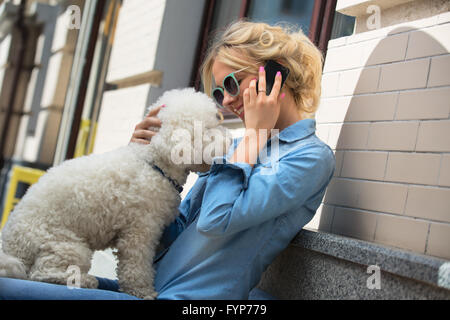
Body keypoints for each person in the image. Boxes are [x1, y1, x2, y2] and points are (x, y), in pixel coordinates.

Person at [0, 20, 335, 300]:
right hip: (147, 289)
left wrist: (254, 136)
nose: (227, 101)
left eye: (233, 83)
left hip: (188, 301)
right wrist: (146, 165)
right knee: (18, 279)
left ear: (275, 75)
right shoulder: (239, 149)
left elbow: (215, 221)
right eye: (219, 93)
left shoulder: (309, 158)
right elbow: (175, 229)